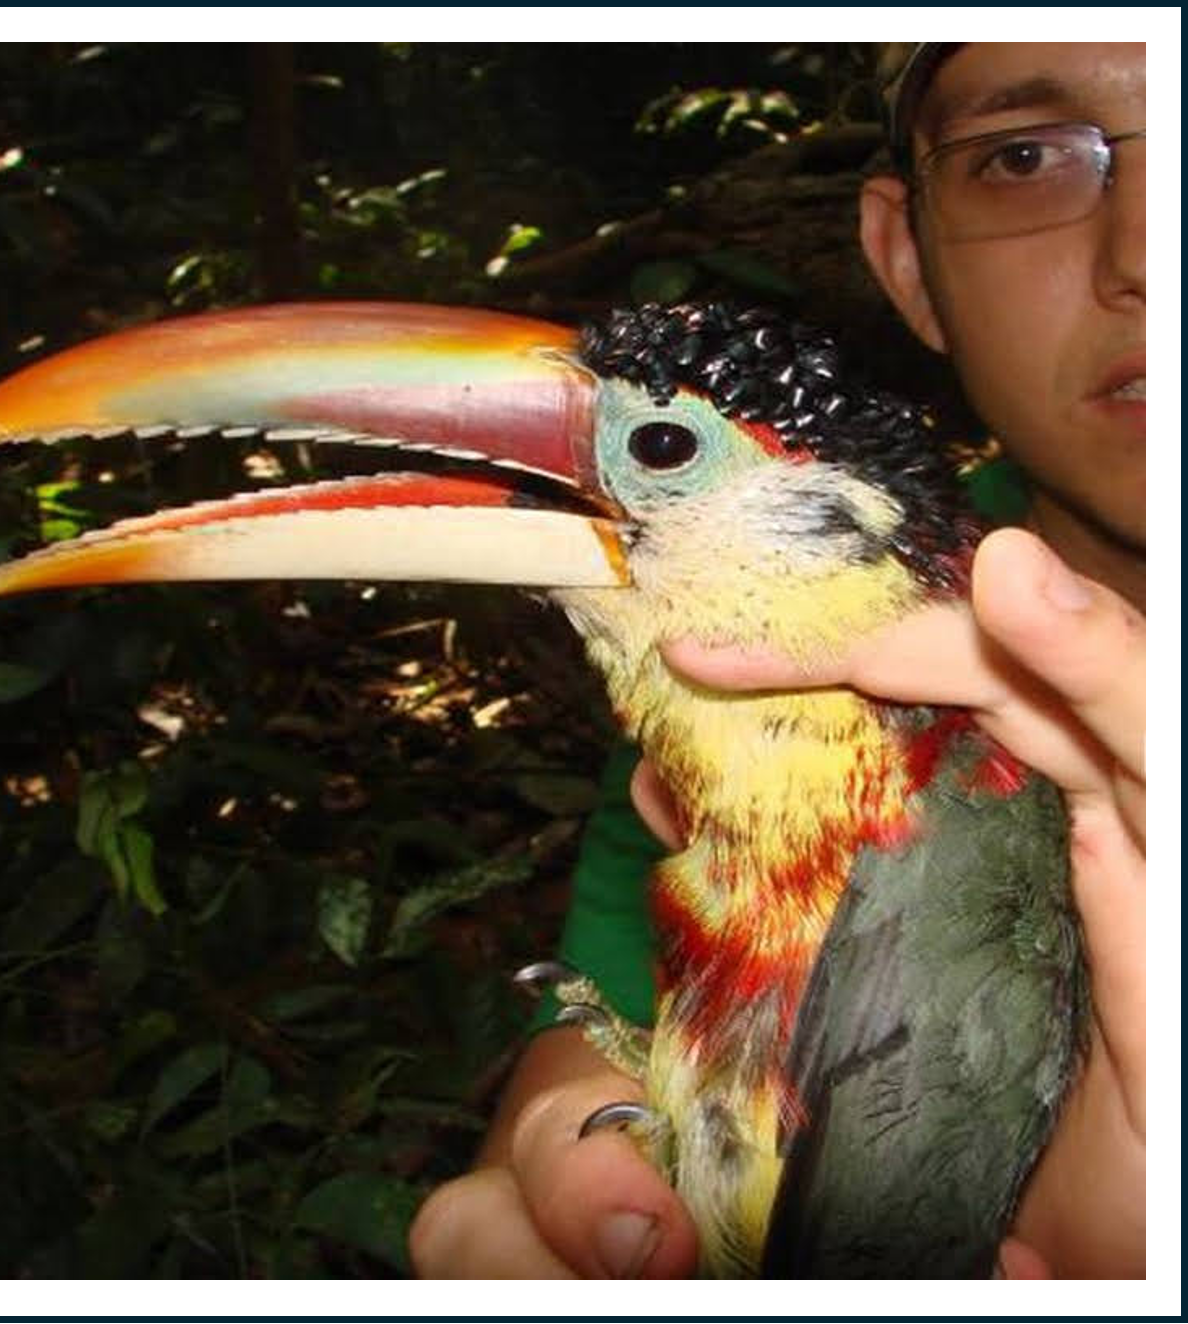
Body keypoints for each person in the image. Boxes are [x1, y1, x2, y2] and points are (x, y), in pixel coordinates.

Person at [409, 41, 1146, 1278]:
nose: (1148, 251)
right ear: (905, 259)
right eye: (1022, 156)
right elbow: (573, 1099)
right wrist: (586, 1163)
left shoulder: (970, 762)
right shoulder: (719, 697)